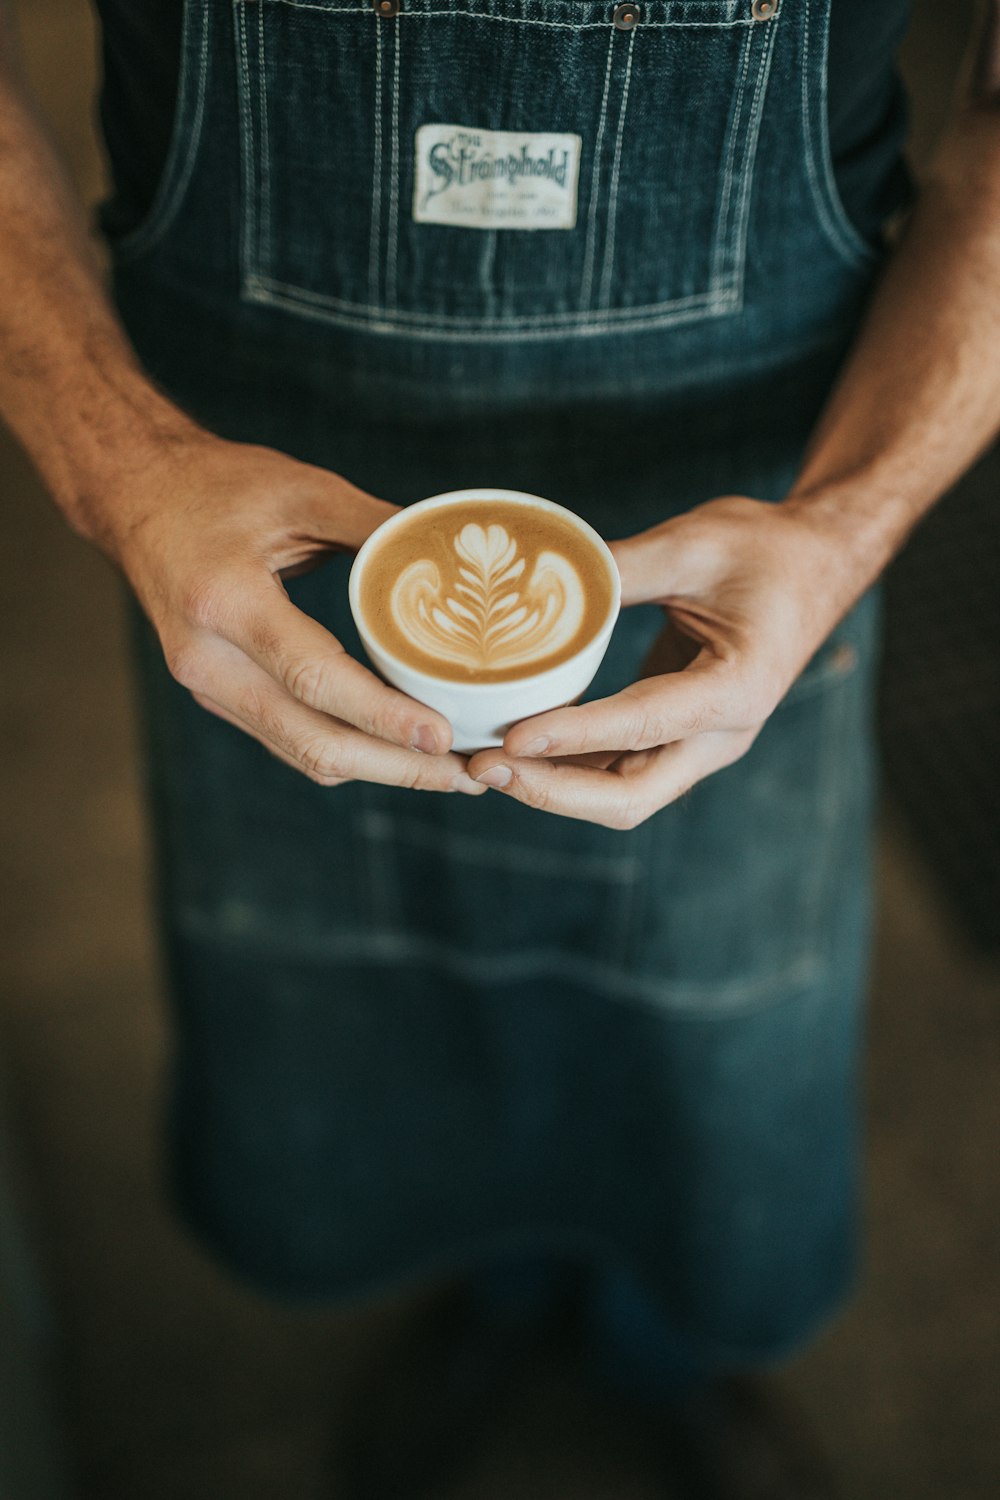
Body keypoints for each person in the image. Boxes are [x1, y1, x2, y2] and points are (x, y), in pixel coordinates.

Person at [2, 0, 999, 1494]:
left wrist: (848, 521)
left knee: (702, 1033)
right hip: (239, 499)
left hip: (751, 494)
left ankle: (661, 1347)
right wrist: (112, 457)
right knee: (365, 997)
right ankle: (495, 1292)